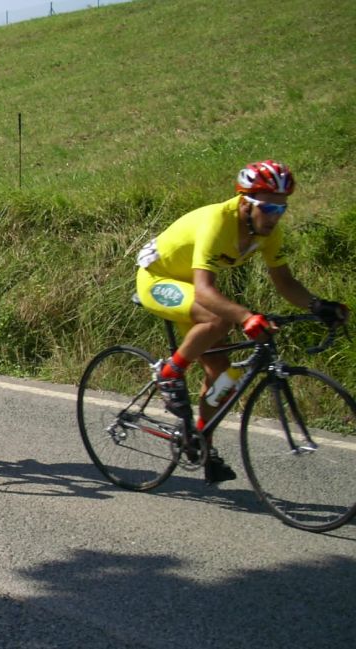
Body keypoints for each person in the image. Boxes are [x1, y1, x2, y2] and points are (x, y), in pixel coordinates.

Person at [136, 159, 350, 484]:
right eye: (269, 208)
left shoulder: (266, 232)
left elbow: (284, 281)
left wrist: (318, 305)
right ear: (246, 203)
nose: (275, 216)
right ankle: (170, 373)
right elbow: (205, 291)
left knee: (222, 376)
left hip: (191, 289)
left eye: (282, 209)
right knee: (218, 318)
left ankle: (201, 442)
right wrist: (247, 317)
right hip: (158, 279)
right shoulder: (218, 221)